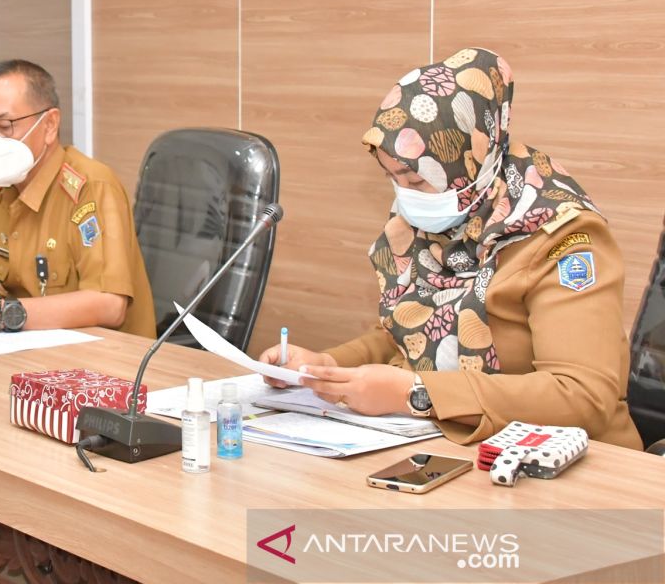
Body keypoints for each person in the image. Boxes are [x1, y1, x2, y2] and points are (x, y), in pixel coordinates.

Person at [261, 47, 642, 449]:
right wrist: (330, 364)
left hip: (573, 465)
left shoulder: (560, 235)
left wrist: (416, 393)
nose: (406, 196)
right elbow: (407, 335)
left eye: (417, 180)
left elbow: (583, 395)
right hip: (452, 445)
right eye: (393, 179)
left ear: (468, 160)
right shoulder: (437, 217)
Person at [0, 60, 157, 338]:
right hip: (25, 349)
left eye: (5, 125)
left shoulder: (91, 187)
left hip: (105, 362)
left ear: (50, 125)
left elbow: (109, 305)